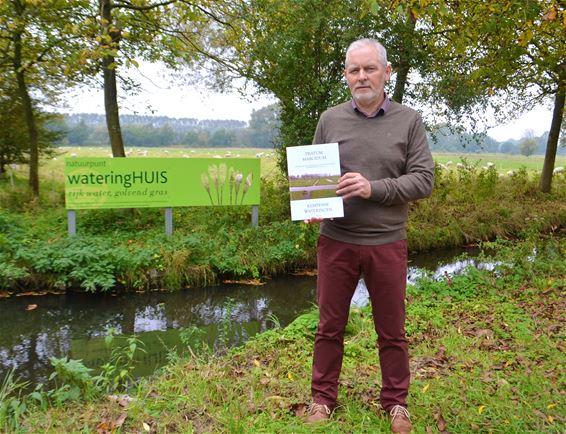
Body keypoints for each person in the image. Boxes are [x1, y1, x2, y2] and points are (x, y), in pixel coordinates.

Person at [303, 38, 435, 434]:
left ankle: (396, 403)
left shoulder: (408, 121)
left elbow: (424, 179)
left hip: (387, 242)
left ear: (386, 72)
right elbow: (313, 178)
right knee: (329, 327)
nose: (361, 76)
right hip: (336, 241)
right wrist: (311, 204)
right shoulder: (330, 119)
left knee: (391, 330)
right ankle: (322, 399)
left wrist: (373, 188)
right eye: (353, 70)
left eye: (369, 69)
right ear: (345, 75)